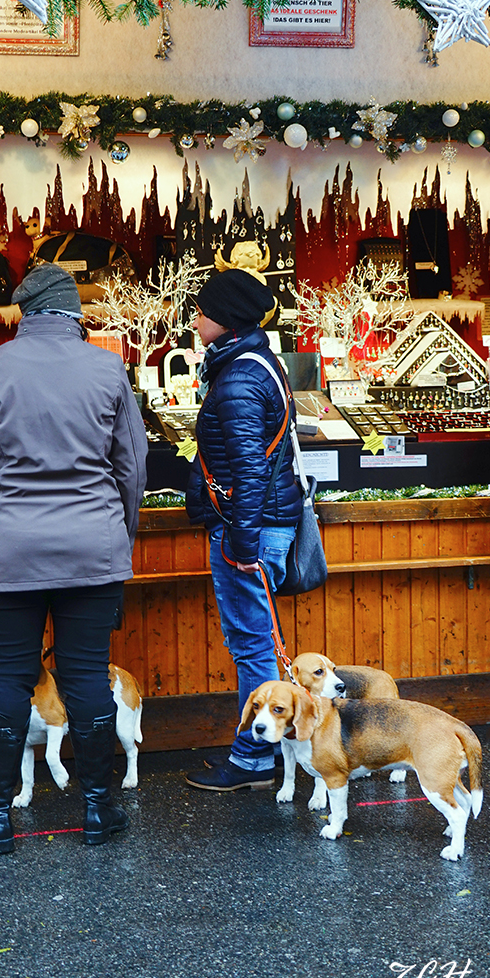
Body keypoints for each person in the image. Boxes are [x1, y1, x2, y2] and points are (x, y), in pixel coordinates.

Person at [0, 263, 148, 850]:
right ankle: (97, 811)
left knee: (9, 679)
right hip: (93, 545)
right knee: (86, 677)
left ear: (25, 314)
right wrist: (118, 539)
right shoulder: (108, 368)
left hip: (7, 549)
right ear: (74, 315)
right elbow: (132, 469)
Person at [184, 268, 302, 791]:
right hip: (258, 523)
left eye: (203, 310)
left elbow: (250, 469)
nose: (196, 318)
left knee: (253, 647)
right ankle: (263, 752)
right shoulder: (253, 363)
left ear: (225, 319)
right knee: (254, 644)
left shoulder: (238, 378)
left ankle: (253, 760)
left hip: (247, 529)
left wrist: (242, 544)